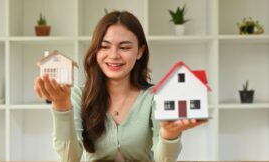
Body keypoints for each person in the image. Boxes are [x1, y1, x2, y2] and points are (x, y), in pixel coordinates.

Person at [34, 10, 207, 162]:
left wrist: (169, 134)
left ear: (139, 51)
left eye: (124, 47)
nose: (114, 55)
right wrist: (61, 105)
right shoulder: (79, 95)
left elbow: (163, 160)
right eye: (104, 47)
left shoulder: (154, 97)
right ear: (95, 51)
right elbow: (69, 158)